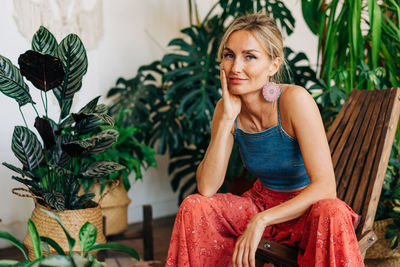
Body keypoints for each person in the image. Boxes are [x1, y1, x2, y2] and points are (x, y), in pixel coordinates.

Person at [166, 13, 364, 267]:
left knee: (332, 211)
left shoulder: (294, 101)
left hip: (307, 210)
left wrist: (261, 220)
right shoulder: (225, 109)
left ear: (273, 65)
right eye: (229, 55)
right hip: (260, 202)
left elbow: (325, 188)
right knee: (194, 206)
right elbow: (206, 188)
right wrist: (227, 118)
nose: (235, 67)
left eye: (250, 56)